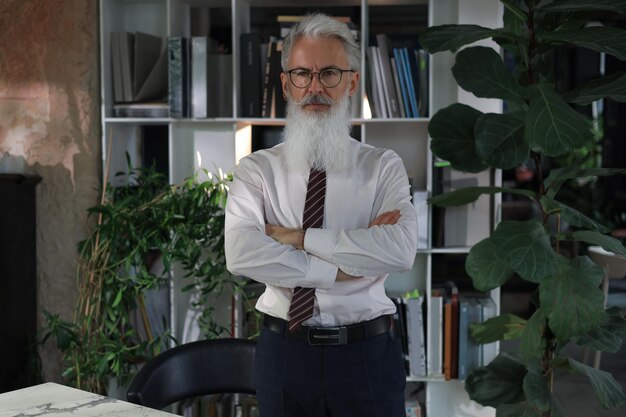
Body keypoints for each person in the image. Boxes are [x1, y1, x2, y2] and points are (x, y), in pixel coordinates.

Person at [225, 13, 417, 417]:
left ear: (351, 82)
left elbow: (399, 251)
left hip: (367, 355)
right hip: (284, 356)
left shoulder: (384, 166)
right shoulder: (256, 170)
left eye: (329, 73)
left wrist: (297, 238)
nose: (314, 87)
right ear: (285, 84)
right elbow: (241, 253)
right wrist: (340, 268)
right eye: (301, 74)